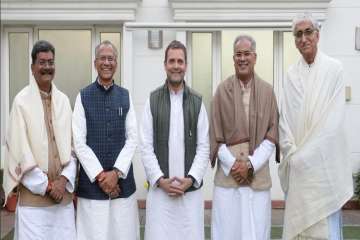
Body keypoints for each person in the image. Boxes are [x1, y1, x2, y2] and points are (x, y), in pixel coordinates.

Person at [278, 12, 353, 240]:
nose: (303, 38)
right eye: (298, 34)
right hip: (298, 171)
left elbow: (332, 123)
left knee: (324, 231)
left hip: (322, 169)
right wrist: (292, 153)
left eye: (308, 32)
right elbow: (285, 122)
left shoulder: (334, 69)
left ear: (318, 35)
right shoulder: (291, 75)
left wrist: (306, 157)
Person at [2, 40, 76, 239]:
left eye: (51, 62)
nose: (47, 67)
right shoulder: (21, 102)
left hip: (63, 202)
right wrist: (48, 186)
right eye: (42, 62)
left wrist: (63, 181)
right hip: (34, 203)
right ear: (32, 67)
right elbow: (20, 151)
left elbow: (73, 148)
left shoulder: (63, 100)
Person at [209, 35, 280, 240]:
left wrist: (250, 164)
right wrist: (233, 165)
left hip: (257, 175)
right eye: (238, 54)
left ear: (255, 57)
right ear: (233, 59)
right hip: (227, 177)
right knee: (227, 231)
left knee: (256, 231)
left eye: (246, 54)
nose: (242, 59)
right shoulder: (222, 91)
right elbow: (215, 134)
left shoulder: (267, 92)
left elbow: (272, 133)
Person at [140, 40, 209, 240]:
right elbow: (146, 146)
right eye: (172, 61)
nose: (176, 66)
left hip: (190, 194)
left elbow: (204, 147)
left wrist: (191, 180)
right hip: (161, 194)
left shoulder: (197, 102)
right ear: (165, 65)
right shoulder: (152, 100)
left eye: (180, 61)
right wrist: (161, 181)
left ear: (186, 65)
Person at [72, 40, 139, 240]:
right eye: (103, 58)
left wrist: (116, 174)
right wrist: (102, 176)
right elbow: (78, 142)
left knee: (123, 234)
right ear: (95, 63)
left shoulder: (125, 96)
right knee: (93, 234)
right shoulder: (83, 96)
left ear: (116, 63)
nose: (107, 62)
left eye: (111, 58)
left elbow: (133, 137)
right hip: (92, 187)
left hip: (122, 186)